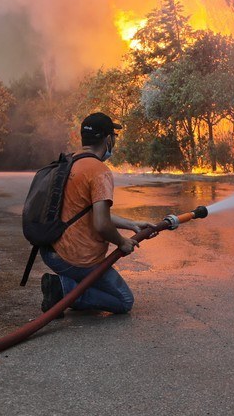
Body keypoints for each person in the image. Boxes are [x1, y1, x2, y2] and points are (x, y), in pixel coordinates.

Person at [40, 112, 152, 315]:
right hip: (75, 258)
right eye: (114, 137)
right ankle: (62, 289)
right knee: (124, 300)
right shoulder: (98, 171)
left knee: (100, 286)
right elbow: (101, 224)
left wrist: (132, 224)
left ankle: (69, 285)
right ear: (108, 140)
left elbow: (86, 213)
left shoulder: (68, 162)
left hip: (50, 251)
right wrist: (122, 242)